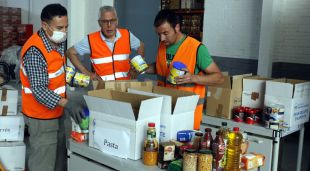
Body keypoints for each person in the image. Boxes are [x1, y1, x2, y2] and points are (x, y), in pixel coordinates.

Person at [19, 4, 85, 171]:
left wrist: (86, 81)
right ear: (44, 25)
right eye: (59, 27)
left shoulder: (56, 42)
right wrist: (68, 104)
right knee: (43, 164)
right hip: (41, 118)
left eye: (66, 27)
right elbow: (39, 90)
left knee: (60, 163)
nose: (64, 31)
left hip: (58, 113)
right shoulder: (35, 51)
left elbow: (60, 72)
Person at [146, 9, 224, 130]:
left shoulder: (197, 48)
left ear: (177, 27)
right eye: (159, 34)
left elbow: (219, 78)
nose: (161, 38)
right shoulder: (162, 45)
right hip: (164, 111)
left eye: (165, 33)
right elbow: (161, 68)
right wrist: (144, 68)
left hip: (187, 114)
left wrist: (193, 77)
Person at [66, 5, 145, 81]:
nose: (109, 25)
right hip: (103, 88)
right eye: (105, 21)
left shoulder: (126, 35)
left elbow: (140, 45)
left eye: (112, 20)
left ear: (117, 21)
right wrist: (87, 73)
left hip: (124, 86)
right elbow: (70, 52)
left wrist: (137, 67)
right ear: (99, 23)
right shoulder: (91, 39)